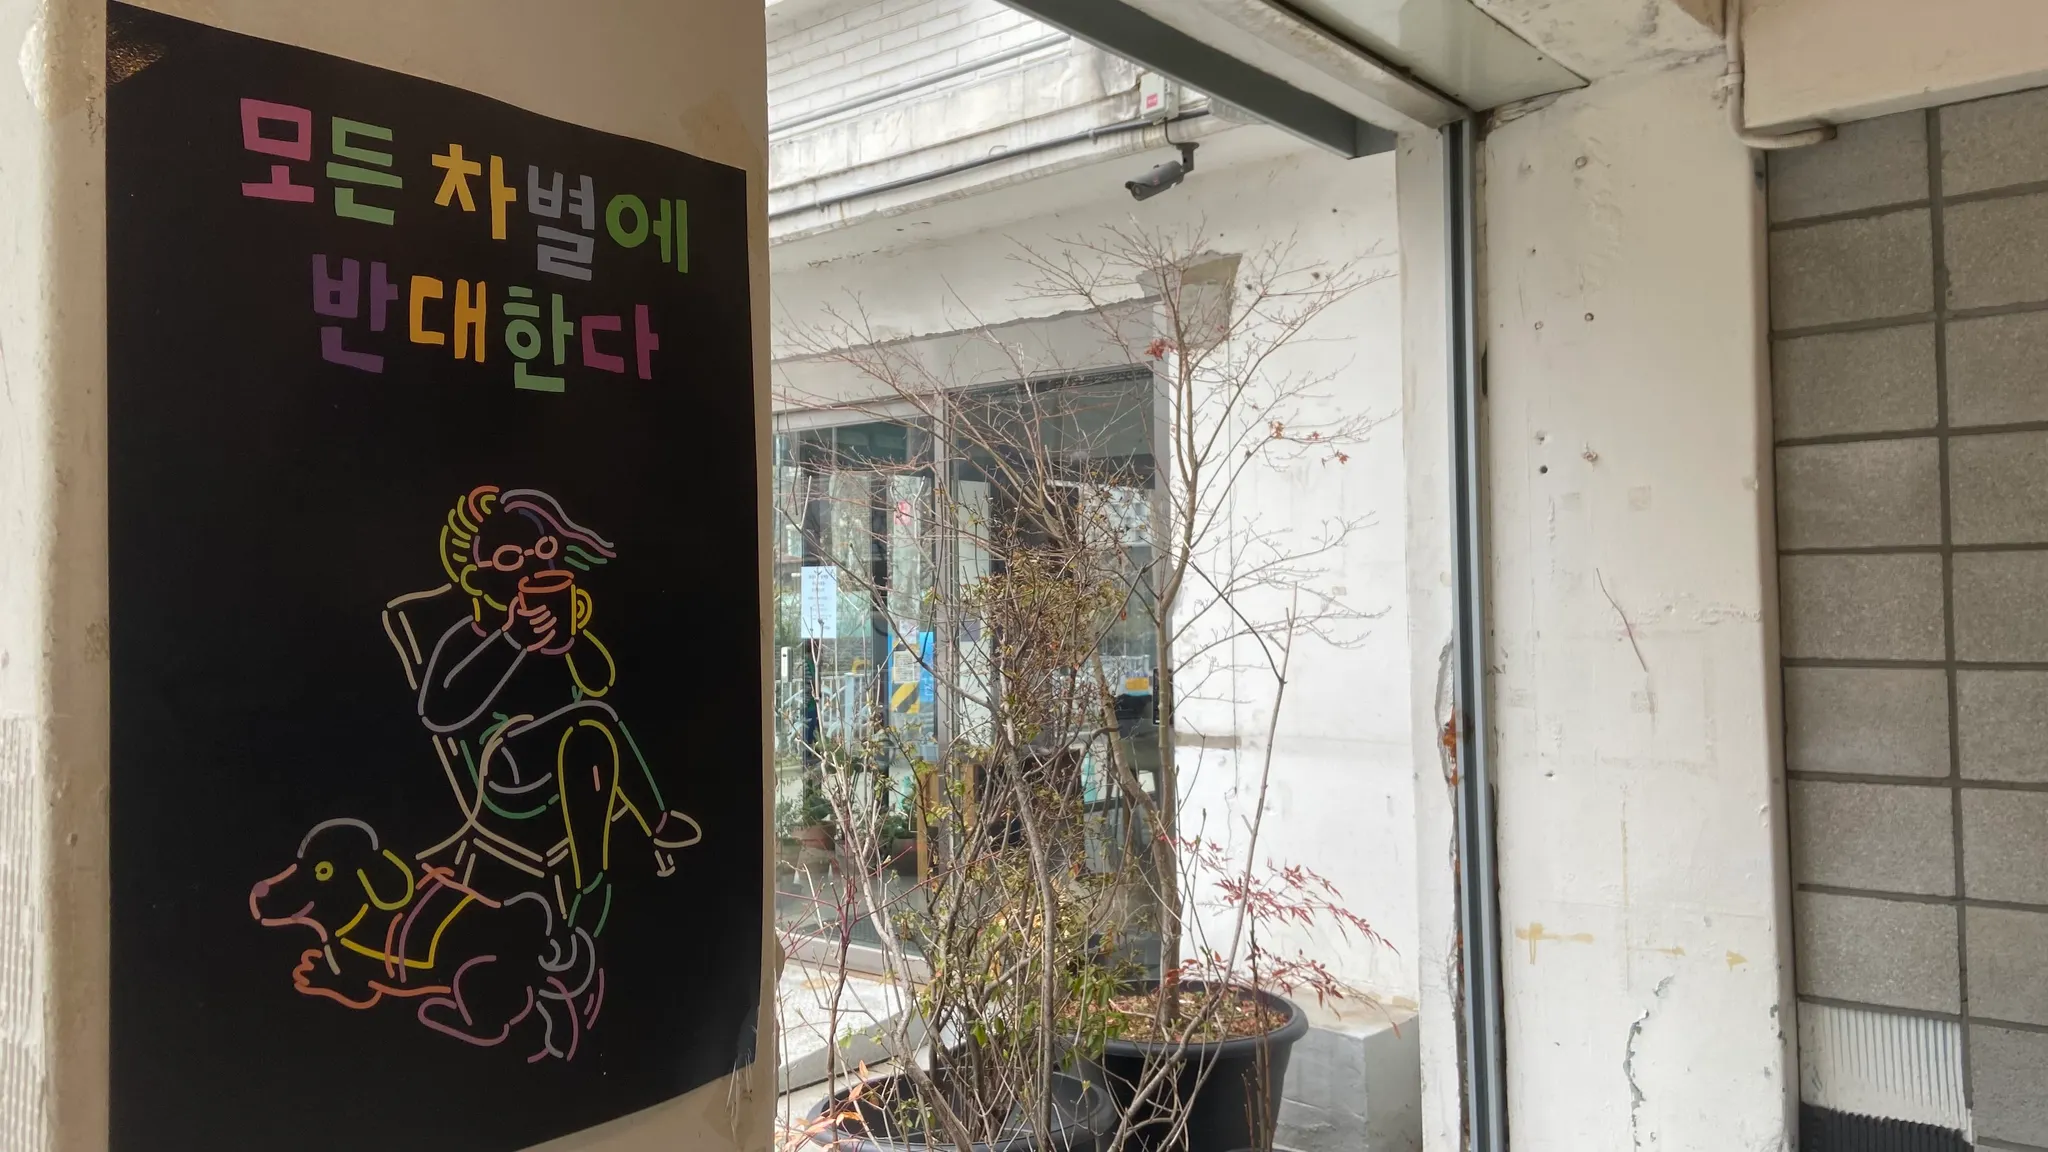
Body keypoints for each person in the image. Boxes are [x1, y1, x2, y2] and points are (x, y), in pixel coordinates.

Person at [382, 485, 699, 932]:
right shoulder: (468, 640)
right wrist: (512, 640)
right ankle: (654, 826)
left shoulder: (555, 634)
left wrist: (574, 637)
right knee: (592, 723)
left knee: (589, 731)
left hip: (575, 751)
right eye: (510, 560)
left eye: (544, 551)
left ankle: (591, 884)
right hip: (505, 767)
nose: (532, 569)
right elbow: (437, 714)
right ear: (476, 581)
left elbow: (599, 683)